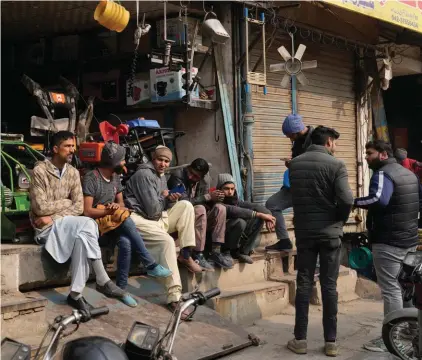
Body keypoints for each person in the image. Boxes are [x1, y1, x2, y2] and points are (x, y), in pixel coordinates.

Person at [29, 131, 126, 311]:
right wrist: (66, 204)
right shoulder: (40, 171)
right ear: (56, 149)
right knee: (87, 224)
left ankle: (75, 294)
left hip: (58, 223)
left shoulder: (73, 172)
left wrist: (54, 215)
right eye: (67, 146)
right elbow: (40, 208)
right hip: (45, 230)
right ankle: (103, 279)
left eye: (73, 146)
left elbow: (79, 207)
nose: (72, 150)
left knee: (83, 235)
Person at [286, 126, 353, 357]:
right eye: (334, 142)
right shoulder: (337, 165)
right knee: (329, 285)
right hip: (330, 233)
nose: (335, 146)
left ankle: (300, 340)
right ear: (328, 142)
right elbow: (346, 199)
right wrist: (339, 220)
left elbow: (295, 196)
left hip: (305, 233)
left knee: (304, 283)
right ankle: (331, 343)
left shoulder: (294, 164)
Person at [82, 142, 172, 307]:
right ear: (113, 161)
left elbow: (122, 205)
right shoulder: (92, 178)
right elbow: (87, 211)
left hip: (112, 223)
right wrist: (108, 211)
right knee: (126, 220)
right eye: (122, 160)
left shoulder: (116, 178)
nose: (124, 163)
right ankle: (150, 263)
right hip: (94, 227)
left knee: (126, 242)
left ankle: (121, 290)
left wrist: (116, 208)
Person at [355, 140, 421, 352]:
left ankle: (390, 338)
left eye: (370, 153)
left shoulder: (383, 174)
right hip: (409, 240)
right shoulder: (408, 173)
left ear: (383, 155)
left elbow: (378, 199)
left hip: (389, 242)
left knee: (391, 289)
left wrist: (352, 201)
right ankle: (412, 331)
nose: (366, 157)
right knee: (406, 287)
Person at [124, 145, 201, 320]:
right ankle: (174, 298)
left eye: (167, 161)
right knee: (167, 241)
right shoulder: (144, 175)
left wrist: (170, 199)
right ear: (153, 158)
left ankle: (186, 253)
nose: (163, 164)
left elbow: (159, 208)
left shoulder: (161, 176)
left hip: (155, 218)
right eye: (160, 160)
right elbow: (152, 210)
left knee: (187, 206)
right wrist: (165, 197)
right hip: (139, 219)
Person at [167, 158, 232, 270]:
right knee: (200, 209)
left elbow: (206, 202)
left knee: (220, 208)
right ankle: (198, 254)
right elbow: (185, 204)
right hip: (181, 221)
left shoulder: (205, 181)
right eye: (190, 173)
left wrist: (216, 199)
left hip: (199, 221)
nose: (191, 177)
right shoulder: (177, 177)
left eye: (196, 176)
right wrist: (207, 197)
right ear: (188, 168)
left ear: (202, 177)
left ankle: (216, 252)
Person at [265, 114, 314, 252]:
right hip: (295, 185)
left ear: (296, 131)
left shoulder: (316, 138)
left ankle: (315, 264)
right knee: (272, 204)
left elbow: (318, 165)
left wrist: (296, 164)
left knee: (306, 223)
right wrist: (292, 164)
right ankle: (284, 241)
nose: (290, 139)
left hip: (310, 189)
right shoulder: (298, 141)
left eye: (290, 135)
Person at [216, 173, 276, 264]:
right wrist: (260, 214)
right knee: (240, 222)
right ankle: (226, 252)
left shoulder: (235, 200)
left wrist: (269, 217)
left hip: (232, 236)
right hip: (220, 240)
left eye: (232, 189)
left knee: (258, 219)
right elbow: (234, 210)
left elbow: (254, 205)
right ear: (219, 189)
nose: (230, 192)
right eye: (226, 189)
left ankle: (243, 251)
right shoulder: (216, 202)